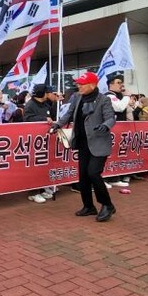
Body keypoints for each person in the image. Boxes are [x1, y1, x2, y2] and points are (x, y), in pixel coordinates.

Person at [51, 72, 117, 222]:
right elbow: (68, 114)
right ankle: (88, 206)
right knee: (83, 176)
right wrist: (57, 124)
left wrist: (105, 126)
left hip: (98, 143)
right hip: (82, 142)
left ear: (92, 85)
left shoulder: (103, 100)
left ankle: (107, 205)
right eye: (78, 83)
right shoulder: (77, 97)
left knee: (93, 173)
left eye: (82, 83)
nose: (78, 86)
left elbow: (110, 118)